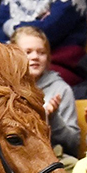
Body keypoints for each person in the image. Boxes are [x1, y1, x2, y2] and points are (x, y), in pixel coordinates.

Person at [8, 26, 78, 158]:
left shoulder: (60, 89)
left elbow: (73, 144)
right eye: (28, 52)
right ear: (13, 56)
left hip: (50, 159)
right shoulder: (4, 88)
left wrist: (53, 119)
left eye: (41, 52)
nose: (35, 57)